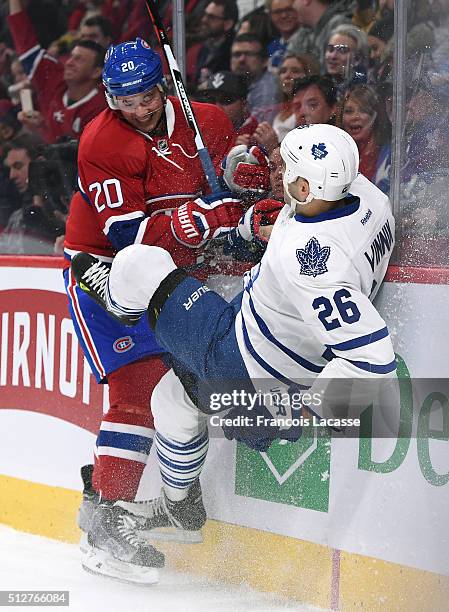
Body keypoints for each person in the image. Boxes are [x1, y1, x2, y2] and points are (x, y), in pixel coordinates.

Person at [72, 123, 396, 553]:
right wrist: (263, 222)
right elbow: (314, 213)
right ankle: (180, 510)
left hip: (238, 365)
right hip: (269, 363)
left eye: (284, 168)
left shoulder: (311, 262)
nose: (274, 171)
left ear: (304, 186)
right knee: (171, 399)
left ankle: (118, 300)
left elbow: (373, 362)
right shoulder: (368, 198)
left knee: (139, 263)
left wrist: (298, 415)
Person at [63, 37, 242, 585]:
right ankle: (107, 519)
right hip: (106, 265)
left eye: (145, 95)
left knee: (187, 382)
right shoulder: (101, 141)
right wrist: (202, 218)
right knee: (138, 385)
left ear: (162, 86)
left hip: (175, 265)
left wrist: (248, 181)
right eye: (123, 99)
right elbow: (129, 241)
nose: (137, 109)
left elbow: (234, 191)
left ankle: (176, 500)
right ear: (108, 96)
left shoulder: (206, 120)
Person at [8, 0, 107, 144]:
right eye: (71, 57)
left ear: (96, 72)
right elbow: (24, 39)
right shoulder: (53, 81)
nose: (69, 62)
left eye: (79, 59)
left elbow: (75, 160)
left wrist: (41, 129)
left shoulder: (101, 110)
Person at [230, 33, 281, 123]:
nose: (241, 59)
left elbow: (257, 129)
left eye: (249, 54)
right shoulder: (241, 83)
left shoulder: (267, 88)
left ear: (265, 61)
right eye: (237, 54)